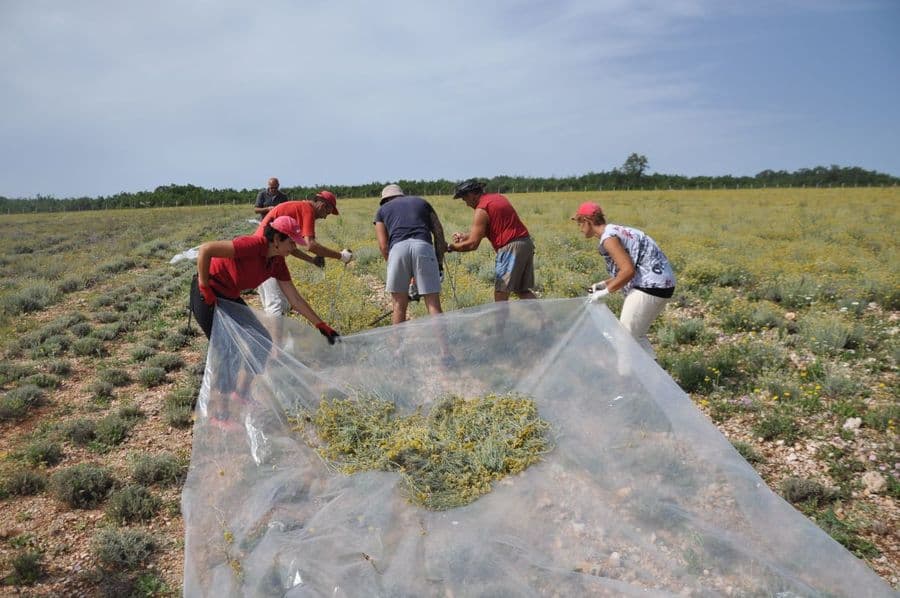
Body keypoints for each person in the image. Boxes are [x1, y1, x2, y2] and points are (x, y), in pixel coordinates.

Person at [190, 215, 339, 344]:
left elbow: (295, 300)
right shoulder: (253, 245)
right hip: (207, 294)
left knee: (262, 343)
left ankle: (247, 377)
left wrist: (320, 325)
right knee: (223, 349)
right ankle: (220, 377)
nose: (293, 248)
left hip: (229, 297)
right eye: (291, 242)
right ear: (276, 239)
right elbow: (205, 249)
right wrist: (204, 287)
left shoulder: (277, 263)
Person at [573, 201, 676, 357]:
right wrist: (602, 284)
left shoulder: (608, 238)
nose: (579, 228)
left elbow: (628, 271)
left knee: (624, 339)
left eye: (580, 222)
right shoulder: (614, 230)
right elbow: (627, 269)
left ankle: (627, 378)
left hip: (649, 286)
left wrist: (605, 292)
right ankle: (654, 377)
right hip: (661, 284)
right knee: (637, 337)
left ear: (588, 221)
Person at [253, 190, 353, 315]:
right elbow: (310, 245)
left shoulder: (300, 208)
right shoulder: (307, 210)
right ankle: (275, 335)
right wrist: (341, 256)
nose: (325, 217)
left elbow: (291, 248)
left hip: (267, 254)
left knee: (281, 303)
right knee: (276, 305)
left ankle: (275, 332)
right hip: (265, 256)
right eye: (327, 212)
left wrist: (312, 260)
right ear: (322, 205)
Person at [447, 179, 536, 301]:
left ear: (471, 195)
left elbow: (473, 244)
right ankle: (544, 321)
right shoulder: (497, 198)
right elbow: (496, 228)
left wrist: (449, 247)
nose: (466, 204)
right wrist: (465, 236)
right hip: (525, 243)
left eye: (464, 199)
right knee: (522, 290)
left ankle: (500, 321)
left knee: (501, 291)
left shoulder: (482, 208)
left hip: (510, 249)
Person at [375, 184, 446, 324]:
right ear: (401, 195)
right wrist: (438, 264)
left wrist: (399, 270)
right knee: (433, 305)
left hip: (397, 250)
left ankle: (397, 346)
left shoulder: (381, 211)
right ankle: (444, 346)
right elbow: (439, 233)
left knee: (399, 306)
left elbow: (383, 246)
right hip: (423, 246)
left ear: (385, 200)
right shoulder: (422, 202)